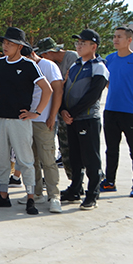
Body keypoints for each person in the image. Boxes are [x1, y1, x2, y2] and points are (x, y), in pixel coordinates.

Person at [0, 27, 52, 215]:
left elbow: (48, 89)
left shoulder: (29, 65)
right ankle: (3, 196)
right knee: (2, 158)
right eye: (4, 43)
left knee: (25, 159)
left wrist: (36, 112)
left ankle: (30, 197)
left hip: (20, 120)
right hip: (0, 119)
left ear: (20, 46)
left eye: (10, 44)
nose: (5, 46)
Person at [59, 29, 110, 210]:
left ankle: (92, 194)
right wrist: (63, 110)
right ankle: (75, 189)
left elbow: (93, 95)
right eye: (77, 43)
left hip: (87, 119)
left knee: (91, 159)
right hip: (71, 119)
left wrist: (70, 112)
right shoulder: (75, 65)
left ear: (93, 46)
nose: (78, 46)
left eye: (83, 43)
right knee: (74, 157)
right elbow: (64, 90)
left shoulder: (99, 67)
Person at [101, 26, 133, 198]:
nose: (115, 39)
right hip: (110, 111)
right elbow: (107, 82)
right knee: (111, 149)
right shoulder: (110, 59)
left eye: (119, 37)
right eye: (114, 36)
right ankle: (109, 182)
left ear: (129, 40)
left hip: (130, 113)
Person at [26, 46, 64, 213]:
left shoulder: (48, 66)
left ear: (33, 54)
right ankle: (36, 193)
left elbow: (58, 90)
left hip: (44, 120)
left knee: (47, 159)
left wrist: (52, 116)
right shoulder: (22, 66)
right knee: (30, 159)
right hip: (27, 120)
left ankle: (54, 196)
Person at [37, 37, 78, 180]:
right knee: (62, 145)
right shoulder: (53, 64)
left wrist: (61, 83)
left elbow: (73, 83)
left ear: (49, 53)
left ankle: (79, 179)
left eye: (42, 55)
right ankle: (70, 178)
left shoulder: (72, 57)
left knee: (75, 147)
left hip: (73, 109)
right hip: (59, 107)